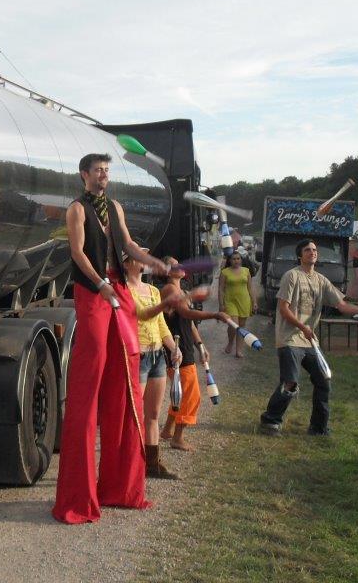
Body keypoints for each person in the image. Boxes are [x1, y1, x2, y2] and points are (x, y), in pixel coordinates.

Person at [52, 153, 170, 525]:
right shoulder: (76, 210)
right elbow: (77, 254)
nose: (104, 175)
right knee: (91, 381)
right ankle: (79, 495)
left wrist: (157, 265)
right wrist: (101, 286)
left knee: (125, 385)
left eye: (107, 171)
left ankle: (120, 487)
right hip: (93, 294)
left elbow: (130, 247)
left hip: (117, 289)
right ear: (84, 174)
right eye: (98, 171)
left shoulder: (115, 207)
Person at [258, 239, 358, 436]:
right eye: (307, 250)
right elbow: (283, 308)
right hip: (289, 339)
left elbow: (342, 304)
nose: (312, 252)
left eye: (314, 250)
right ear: (300, 255)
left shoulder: (321, 280)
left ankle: (318, 427)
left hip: (309, 341)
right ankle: (270, 421)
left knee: (324, 380)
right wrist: (303, 327)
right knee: (290, 383)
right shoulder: (292, 276)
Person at [159, 259, 231, 451]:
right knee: (191, 395)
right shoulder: (169, 290)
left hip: (186, 347)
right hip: (176, 349)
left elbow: (189, 324)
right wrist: (215, 315)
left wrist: (200, 345)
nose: (180, 267)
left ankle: (167, 431)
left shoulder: (181, 292)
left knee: (181, 392)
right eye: (174, 265)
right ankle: (178, 438)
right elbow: (186, 313)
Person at [124, 250, 182, 479]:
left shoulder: (153, 290)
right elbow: (143, 314)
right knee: (134, 414)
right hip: (138, 357)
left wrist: (173, 348)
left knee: (153, 413)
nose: (146, 260)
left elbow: (160, 324)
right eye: (140, 257)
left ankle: (152, 464)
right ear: (128, 263)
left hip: (157, 356)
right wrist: (167, 303)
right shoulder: (124, 290)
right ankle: (130, 463)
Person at [220, 251, 254, 358]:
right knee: (234, 325)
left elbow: (250, 288)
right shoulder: (225, 272)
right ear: (230, 261)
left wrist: (254, 302)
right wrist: (221, 304)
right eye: (234, 259)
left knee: (242, 327)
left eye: (238, 258)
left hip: (244, 301)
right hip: (230, 301)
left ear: (241, 260)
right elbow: (221, 289)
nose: (236, 261)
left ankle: (238, 350)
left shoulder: (246, 271)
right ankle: (230, 342)